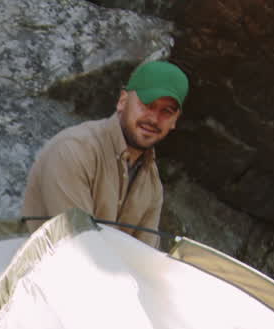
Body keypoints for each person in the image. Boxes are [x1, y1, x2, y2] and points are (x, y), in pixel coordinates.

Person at [20, 59, 189, 247]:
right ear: (123, 101)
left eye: (166, 111)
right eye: (147, 104)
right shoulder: (74, 150)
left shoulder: (152, 184)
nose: (153, 118)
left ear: (175, 122)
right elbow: (78, 248)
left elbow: (144, 258)